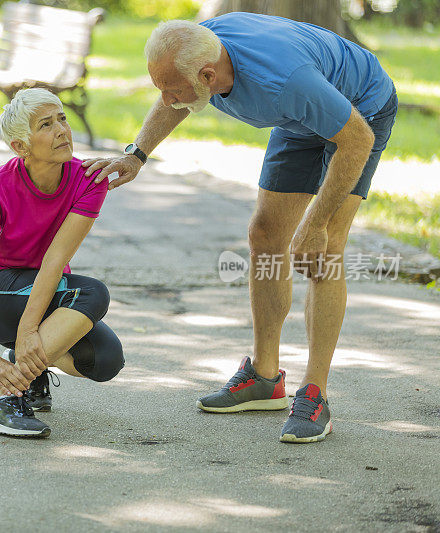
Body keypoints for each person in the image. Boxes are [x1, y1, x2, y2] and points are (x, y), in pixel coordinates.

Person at [82, 13, 397, 443]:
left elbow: (356, 139)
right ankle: (266, 378)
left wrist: (315, 222)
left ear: (208, 76)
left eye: (172, 87)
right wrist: (136, 155)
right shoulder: (200, 43)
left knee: (323, 249)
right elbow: (175, 98)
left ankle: (315, 392)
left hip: (359, 113)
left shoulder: (283, 81)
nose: (165, 97)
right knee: (265, 235)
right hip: (302, 117)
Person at [0, 88, 124, 438]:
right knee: (93, 294)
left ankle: (28, 375)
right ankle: (3, 399)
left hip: (41, 291)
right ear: (20, 146)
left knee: (104, 359)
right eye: (46, 125)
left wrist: (29, 331)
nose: (63, 130)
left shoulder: (89, 179)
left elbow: (55, 260)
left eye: (62, 118)